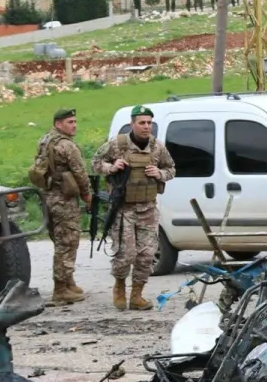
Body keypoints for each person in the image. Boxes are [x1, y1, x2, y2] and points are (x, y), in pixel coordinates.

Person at [92, 105, 176, 312]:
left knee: (147, 255)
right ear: (133, 124)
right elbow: (95, 162)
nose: (146, 127)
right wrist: (111, 168)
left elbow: (171, 168)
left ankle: (137, 295)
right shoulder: (118, 145)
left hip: (148, 208)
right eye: (142, 123)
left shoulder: (157, 147)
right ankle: (119, 287)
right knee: (125, 254)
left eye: (149, 123)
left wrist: (160, 173)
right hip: (124, 209)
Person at [36, 108, 92, 306]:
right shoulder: (67, 146)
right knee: (67, 242)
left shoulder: (44, 141)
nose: (74, 125)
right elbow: (80, 173)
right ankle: (60, 289)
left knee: (59, 240)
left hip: (47, 196)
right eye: (70, 122)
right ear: (58, 124)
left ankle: (68, 282)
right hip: (64, 199)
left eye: (75, 121)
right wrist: (87, 194)